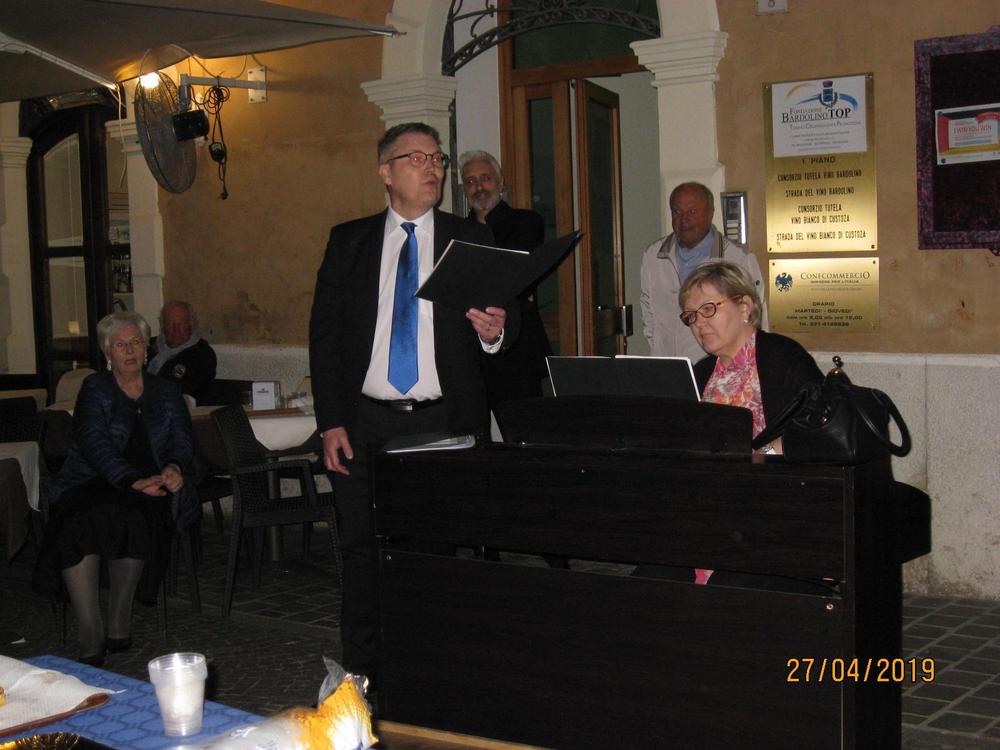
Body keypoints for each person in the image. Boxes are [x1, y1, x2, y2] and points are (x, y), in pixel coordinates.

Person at [309, 122, 518, 685]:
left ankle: (431, 672)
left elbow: (508, 324)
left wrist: (494, 330)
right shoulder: (349, 242)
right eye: (417, 158)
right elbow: (325, 337)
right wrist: (330, 422)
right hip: (363, 422)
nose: (433, 168)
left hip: (440, 422)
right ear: (386, 172)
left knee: (433, 551)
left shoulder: (468, 238)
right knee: (361, 552)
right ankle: (361, 679)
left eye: (437, 158)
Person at [639, 260, 823, 592]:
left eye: (708, 309)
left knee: (729, 586)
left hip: (772, 509)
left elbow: (815, 430)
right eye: (691, 316)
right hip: (707, 511)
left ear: (745, 306)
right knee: (649, 580)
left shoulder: (782, 357)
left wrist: (759, 457)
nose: (699, 323)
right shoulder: (701, 372)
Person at [32, 311, 197, 665]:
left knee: (134, 519)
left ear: (147, 349)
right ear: (108, 352)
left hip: (151, 484)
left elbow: (182, 439)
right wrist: (129, 480)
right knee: (78, 523)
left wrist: (174, 467)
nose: (130, 350)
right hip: (94, 480)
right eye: (121, 345)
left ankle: (119, 616)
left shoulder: (166, 391)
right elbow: (94, 442)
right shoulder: (95, 388)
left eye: (136, 342)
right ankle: (90, 627)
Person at [460, 149, 552, 410]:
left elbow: (513, 275)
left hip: (519, 350)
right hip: (471, 354)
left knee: (524, 428)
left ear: (500, 182)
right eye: (470, 181)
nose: (479, 187)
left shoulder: (526, 222)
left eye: (485, 178)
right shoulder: (458, 232)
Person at [639, 182, 768, 362]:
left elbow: (756, 318)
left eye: (692, 211)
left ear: (710, 213)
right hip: (669, 367)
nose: (684, 219)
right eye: (677, 212)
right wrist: (658, 352)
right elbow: (648, 314)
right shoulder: (654, 256)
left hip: (720, 367)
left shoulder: (737, 258)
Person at [147, 300, 217, 401]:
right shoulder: (147, 347)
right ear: (162, 326)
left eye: (181, 323)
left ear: (192, 324)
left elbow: (190, 390)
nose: (176, 329)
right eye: (170, 324)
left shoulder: (203, 354)